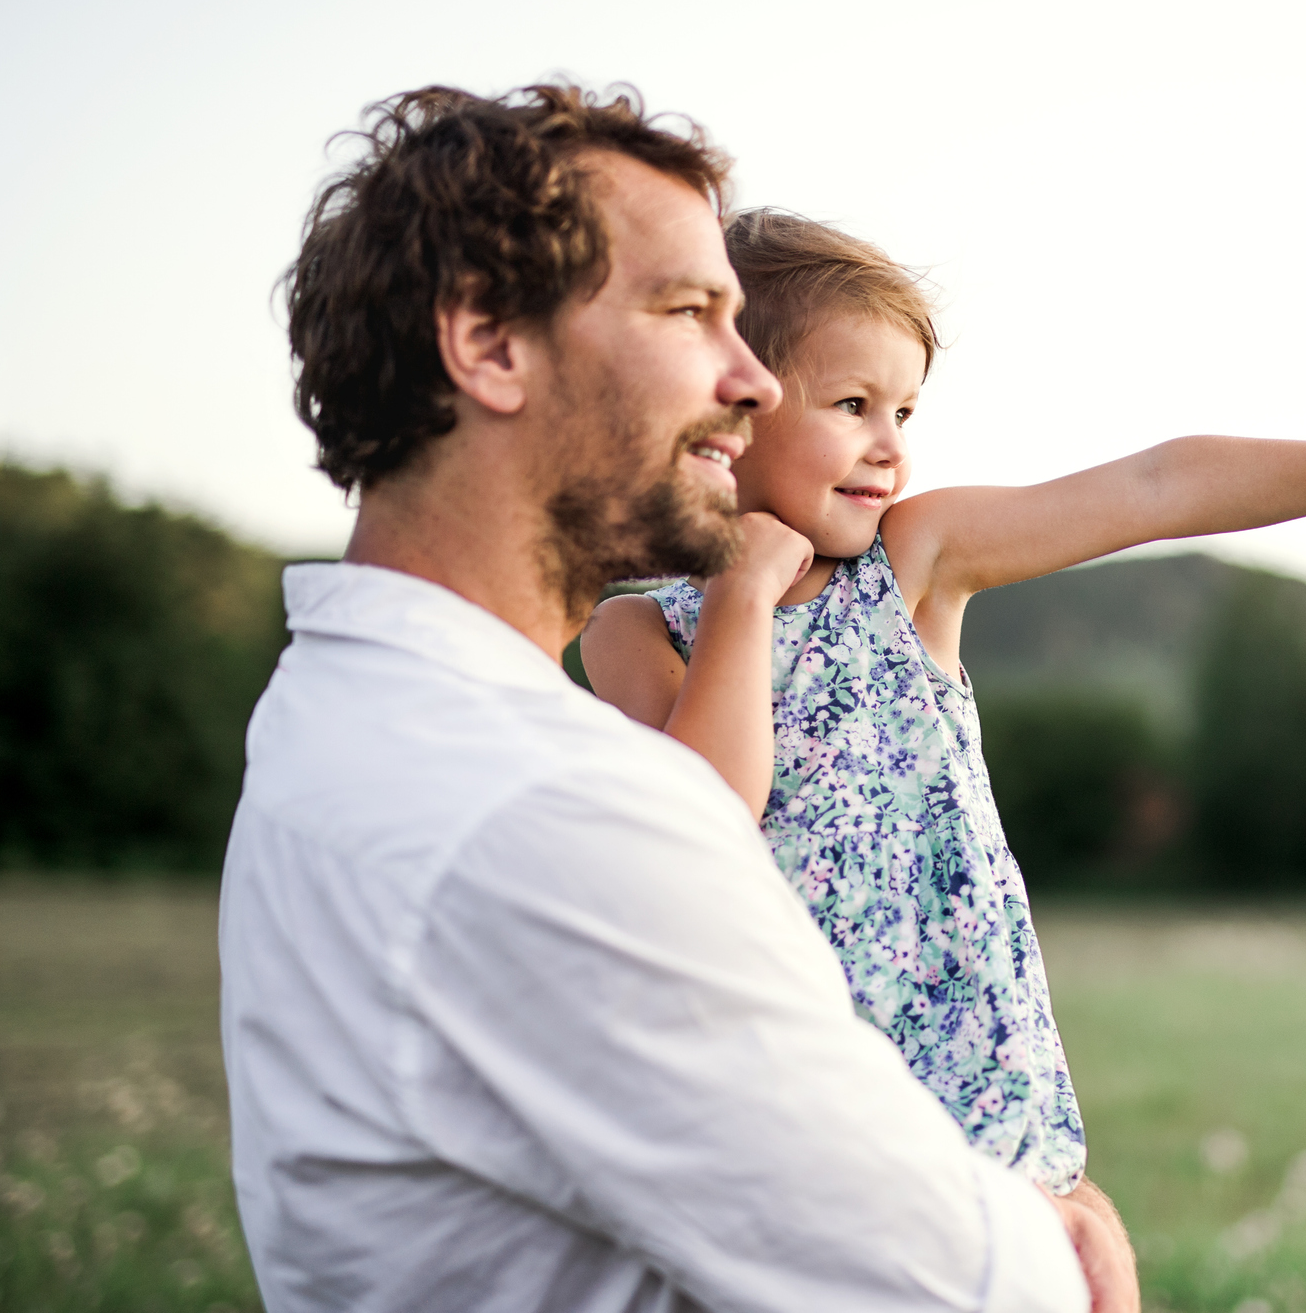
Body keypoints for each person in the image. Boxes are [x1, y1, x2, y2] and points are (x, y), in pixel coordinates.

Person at [220, 83, 1131, 1312]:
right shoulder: (549, 807)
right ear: (488, 343)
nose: (752, 381)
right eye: (691, 311)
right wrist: (1071, 1255)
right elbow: (956, 1286)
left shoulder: (339, 712)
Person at [576, 212, 1306, 1214]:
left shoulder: (911, 561)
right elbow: (712, 810)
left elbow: (1159, 482)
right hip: (789, 1126)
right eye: (851, 403)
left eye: (905, 414)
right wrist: (744, 594)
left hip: (978, 1117)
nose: (889, 448)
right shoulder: (635, 631)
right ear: (731, 405)